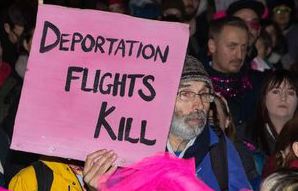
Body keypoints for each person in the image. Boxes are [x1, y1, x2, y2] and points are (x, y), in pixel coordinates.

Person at [83, 55, 250, 191]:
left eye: (204, 94)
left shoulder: (219, 148)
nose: (199, 105)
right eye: (186, 93)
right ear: (162, 99)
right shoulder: (133, 149)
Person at [203, 16, 263, 133]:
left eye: (244, 47)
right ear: (212, 46)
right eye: (232, 47)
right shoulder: (196, 85)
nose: (239, 55)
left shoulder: (256, 84)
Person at [247, 70, 298, 157]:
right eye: (276, 91)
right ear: (264, 98)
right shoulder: (247, 135)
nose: (283, 98)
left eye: (290, 93)